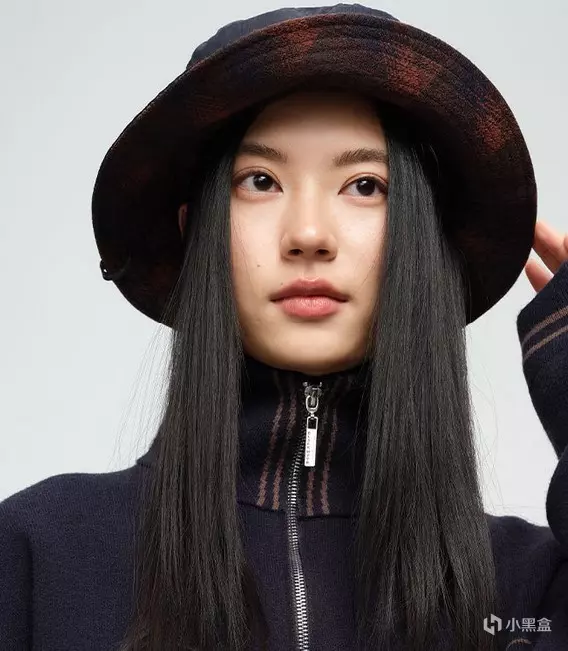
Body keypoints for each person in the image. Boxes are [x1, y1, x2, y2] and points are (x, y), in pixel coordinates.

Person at [1, 4, 567, 651]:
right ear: (195, 230)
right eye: (261, 180)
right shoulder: (36, 556)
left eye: (365, 185)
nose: (308, 234)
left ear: (425, 238)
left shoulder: (526, 594)